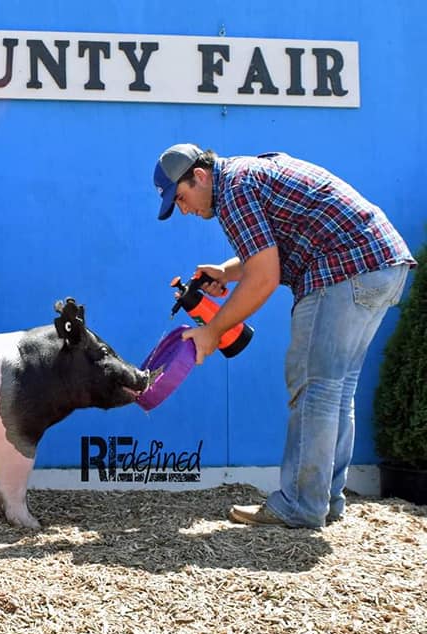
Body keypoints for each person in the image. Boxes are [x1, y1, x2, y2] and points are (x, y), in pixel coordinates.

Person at [153, 143, 416, 528]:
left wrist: (212, 330)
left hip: (343, 270)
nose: (184, 210)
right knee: (335, 388)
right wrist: (225, 273)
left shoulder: (234, 191)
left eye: (180, 198)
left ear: (200, 176)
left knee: (314, 387)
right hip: (382, 265)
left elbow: (264, 277)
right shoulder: (247, 176)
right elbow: (267, 251)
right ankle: (324, 500)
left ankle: (300, 505)